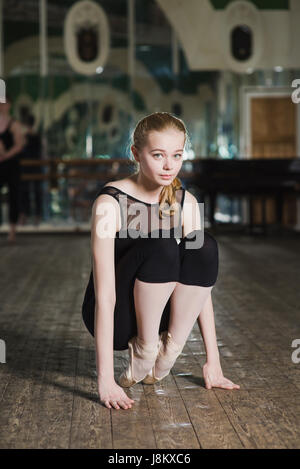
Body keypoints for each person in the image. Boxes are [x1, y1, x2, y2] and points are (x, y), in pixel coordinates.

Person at [82, 112, 240, 411]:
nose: (169, 166)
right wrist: (105, 379)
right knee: (163, 244)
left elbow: (200, 285)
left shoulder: (186, 202)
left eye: (177, 155)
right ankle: (144, 349)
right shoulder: (110, 203)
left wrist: (213, 361)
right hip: (116, 318)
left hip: (160, 315)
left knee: (205, 247)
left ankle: (168, 351)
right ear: (136, 154)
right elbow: (104, 294)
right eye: (158, 155)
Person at [0, 94, 26, 242]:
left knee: (14, 196)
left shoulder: (14, 124)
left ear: (9, 105)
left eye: (4, 104)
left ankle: (12, 230)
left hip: (11, 165)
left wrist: (5, 154)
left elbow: (19, 145)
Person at [18, 114, 43, 225]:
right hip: (32, 166)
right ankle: (34, 216)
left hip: (30, 166)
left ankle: (28, 215)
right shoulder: (35, 136)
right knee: (30, 191)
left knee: (28, 191)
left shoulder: (27, 137)